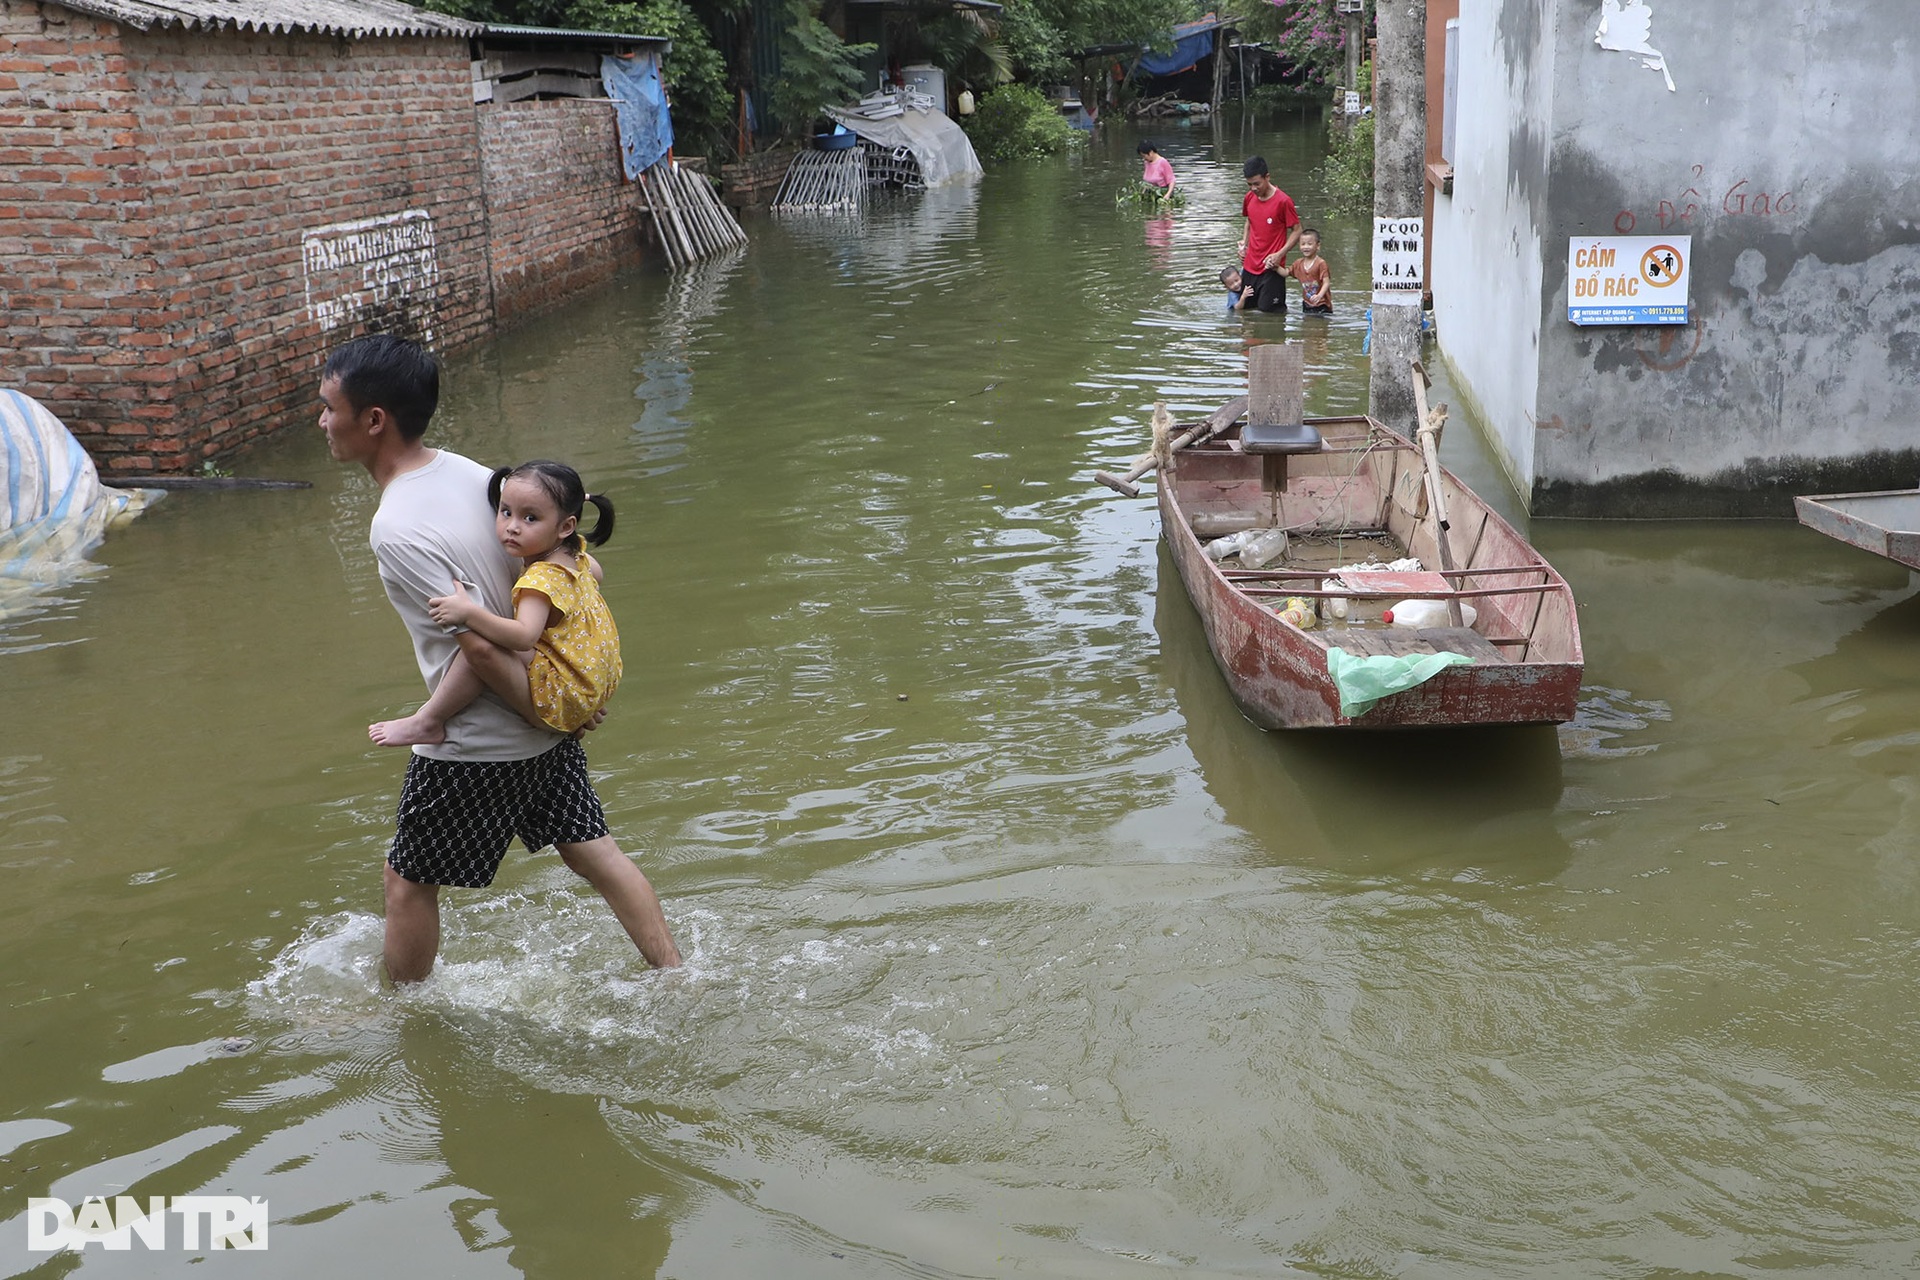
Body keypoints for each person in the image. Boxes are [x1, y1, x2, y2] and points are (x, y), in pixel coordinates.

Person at [319, 334, 680, 983]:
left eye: (327, 407)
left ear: (373, 420)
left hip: (488, 739)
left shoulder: (397, 525)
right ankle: (676, 973)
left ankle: (404, 1022)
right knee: (596, 854)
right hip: (546, 720)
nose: (321, 422)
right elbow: (575, 569)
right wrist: (573, 701)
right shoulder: (475, 473)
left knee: (406, 884)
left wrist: (548, 715)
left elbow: (482, 649)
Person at [369, 460, 622, 747]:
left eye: (530, 519)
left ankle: (430, 720)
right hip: (593, 682)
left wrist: (469, 613)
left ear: (565, 526)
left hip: (566, 692)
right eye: (506, 513)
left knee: (484, 642)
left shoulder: (541, 580)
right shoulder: (575, 557)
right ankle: (570, 702)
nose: (512, 527)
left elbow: (524, 637)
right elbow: (596, 574)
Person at [1235, 155, 1301, 313]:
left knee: (1270, 314)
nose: (1253, 188)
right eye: (1249, 184)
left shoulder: (1283, 201)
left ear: (1267, 177)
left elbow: (1297, 230)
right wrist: (1243, 245)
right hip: (1250, 267)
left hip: (1271, 268)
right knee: (1246, 310)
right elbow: (1249, 221)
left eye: (1257, 184)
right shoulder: (1249, 197)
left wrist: (1279, 254)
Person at [1289, 228, 1333, 314]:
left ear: (1318, 246)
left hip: (1322, 304)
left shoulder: (1321, 263)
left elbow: (1326, 282)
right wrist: (1275, 266)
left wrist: (1319, 296)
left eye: (1309, 244)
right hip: (1307, 303)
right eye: (1303, 244)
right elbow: (1286, 273)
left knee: (1320, 325)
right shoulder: (1298, 263)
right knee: (1306, 325)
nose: (1306, 247)